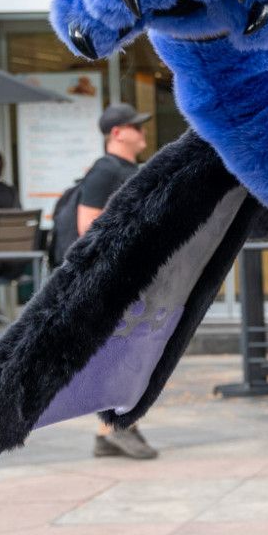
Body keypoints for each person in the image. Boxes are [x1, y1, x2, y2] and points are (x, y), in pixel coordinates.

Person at [80, 105, 158, 458]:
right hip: (112, 278)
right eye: (135, 127)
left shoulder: (126, 169)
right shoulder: (104, 171)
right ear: (116, 133)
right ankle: (117, 427)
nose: (142, 132)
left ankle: (109, 431)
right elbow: (88, 227)